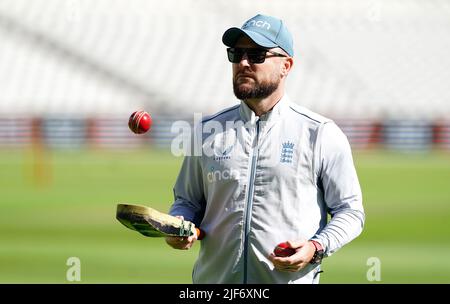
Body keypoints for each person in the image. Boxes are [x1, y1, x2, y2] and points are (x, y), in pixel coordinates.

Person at [165, 14, 365, 284]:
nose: (243, 63)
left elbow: (350, 212)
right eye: (237, 54)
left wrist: (316, 248)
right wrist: (180, 224)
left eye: (257, 55)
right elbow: (187, 202)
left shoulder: (320, 133)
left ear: (286, 66)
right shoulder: (205, 132)